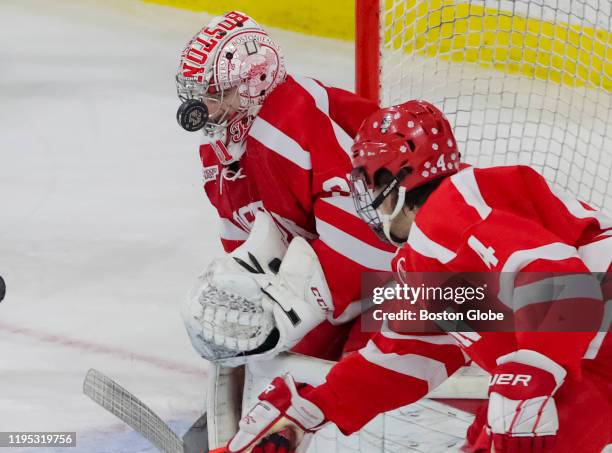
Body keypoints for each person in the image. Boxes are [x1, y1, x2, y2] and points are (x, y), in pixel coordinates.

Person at [227, 100, 611, 453]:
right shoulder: (430, 251)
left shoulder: (452, 209)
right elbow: (414, 354)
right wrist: (314, 407)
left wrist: (533, 369)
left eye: (369, 180)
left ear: (395, 182)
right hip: (588, 357)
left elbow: (563, 281)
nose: (365, 196)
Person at [176, 11, 395, 380]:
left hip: (445, 274)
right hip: (371, 280)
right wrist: (247, 288)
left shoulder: (291, 124)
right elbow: (242, 229)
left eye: (214, 95)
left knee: (375, 362)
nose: (202, 110)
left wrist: (294, 305)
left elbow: (372, 239)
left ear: (254, 83)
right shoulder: (220, 151)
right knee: (281, 359)